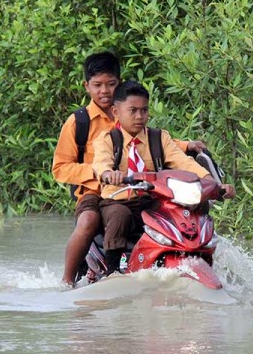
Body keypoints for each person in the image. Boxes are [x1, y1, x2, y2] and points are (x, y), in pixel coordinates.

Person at [52, 52, 207, 287]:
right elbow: (60, 168)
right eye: (97, 85)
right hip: (95, 192)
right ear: (87, 86)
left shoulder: (128, 109)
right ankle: (66, 281)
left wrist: (187, 146)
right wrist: (98, 173)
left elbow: (154, 141)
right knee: (88, 223)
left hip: (139, 188)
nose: (104, 91)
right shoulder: (79, 122)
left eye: (111, 84)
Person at [92, 80, 236, 275]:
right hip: (119, 199)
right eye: (133, 110)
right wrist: (109, 174)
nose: (139, 116)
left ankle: (205, 256)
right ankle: (113, 271)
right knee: (119, 216)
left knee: (188, 212)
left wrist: (210, 180)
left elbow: (183, 162)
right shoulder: (108, 140)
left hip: (153, 200)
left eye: (144, 110)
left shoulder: (160, 138)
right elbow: (101, 163)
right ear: (116, 112)